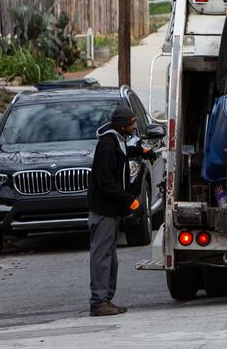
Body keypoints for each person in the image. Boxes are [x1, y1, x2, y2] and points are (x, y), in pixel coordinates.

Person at [87, 105, 153, 317]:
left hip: (111, 211)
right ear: (123, 125)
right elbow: (104, 180)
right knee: (102, 257)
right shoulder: (107, 144)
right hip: (103, 212)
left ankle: (105, 300)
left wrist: (141, 151)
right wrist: (129, 201)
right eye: (133, 123)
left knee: (109, 258)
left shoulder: (117, 139)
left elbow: (121, 155)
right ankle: (99, 303)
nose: (135, 126)